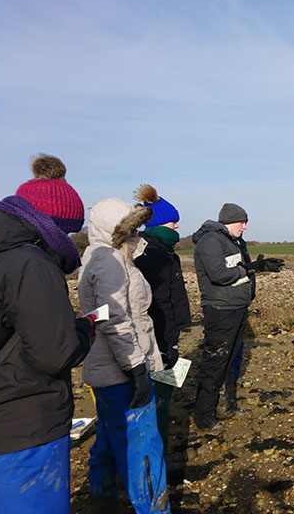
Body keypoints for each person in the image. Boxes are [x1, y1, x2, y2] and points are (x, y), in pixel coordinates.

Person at [0, 155, 92, 514]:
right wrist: (83, 328)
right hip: (22, 423)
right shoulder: (31, 264)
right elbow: (54, 353)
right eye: (68, 231)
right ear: (52, 224)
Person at [79, 197, 170, 513]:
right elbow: (113, 319)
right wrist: (136, 370)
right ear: (114, 231)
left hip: (108, 372)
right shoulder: (109, 264)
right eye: (131, 230)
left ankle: (102, 500)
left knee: (107, 440)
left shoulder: (99, 257)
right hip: (122, 374)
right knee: (142, 451)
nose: (137, 236)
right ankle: (153, 509)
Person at [192, 203, 283, 431]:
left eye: (245, 223)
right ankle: (204, 417)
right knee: (215, 361)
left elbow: (239, 266)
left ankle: (227, 406)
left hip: (237, 306)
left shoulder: (233, 241)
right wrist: (247, 269)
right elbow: (219, 274)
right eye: (242, 222)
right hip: (221, 309)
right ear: (229, 221)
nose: (244, 227)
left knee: (230, 359)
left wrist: (257, 266)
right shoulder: (211, 241)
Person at [133, 185, 192, 459]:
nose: (177, 225)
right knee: (159, 399)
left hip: (165, 335)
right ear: (157, 224)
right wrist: (167, 342)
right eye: (172, 221)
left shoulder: (163, 251)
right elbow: (154, 304)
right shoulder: (152, 255)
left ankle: (157, 452)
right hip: (157, 339)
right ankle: (158, 458)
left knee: (162, 395)